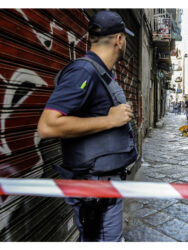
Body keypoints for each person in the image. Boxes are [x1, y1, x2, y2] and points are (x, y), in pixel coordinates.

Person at [37, 10, 138, 242]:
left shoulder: (100, 72)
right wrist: (110, 120)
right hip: (95, 188)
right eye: (125, 39)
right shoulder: (84, 71)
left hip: (102, 184)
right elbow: (48, 126)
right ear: (119, 40)